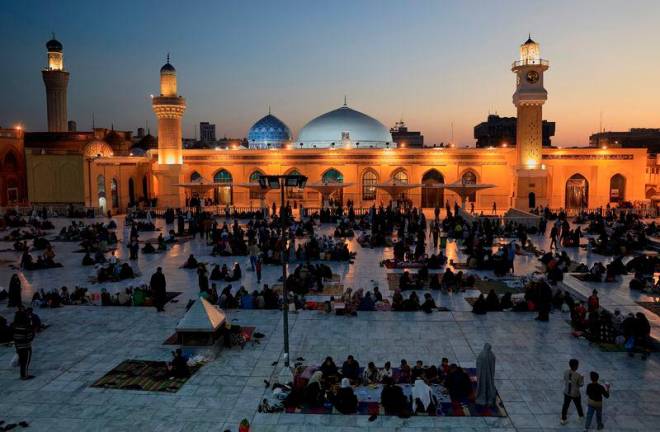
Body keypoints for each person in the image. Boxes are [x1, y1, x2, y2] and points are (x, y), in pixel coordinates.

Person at [12, 309, 35, 380]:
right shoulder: (26, 327)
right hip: (26, 346)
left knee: (22, 361)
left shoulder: (14, 326)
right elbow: (30, 337)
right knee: (25, 361)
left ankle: (23, 374)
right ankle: (24, 375)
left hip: (18, 346)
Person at [561, 359, 584, 425]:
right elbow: (581, 384)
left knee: (565, 405)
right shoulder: (578, 375)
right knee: (578, 405)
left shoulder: (566, 372)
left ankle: (563, 419)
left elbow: (565, 379)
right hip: (575, 393)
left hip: (567, 392)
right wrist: (582, 379)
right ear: (576, 366)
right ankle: (581, 416)